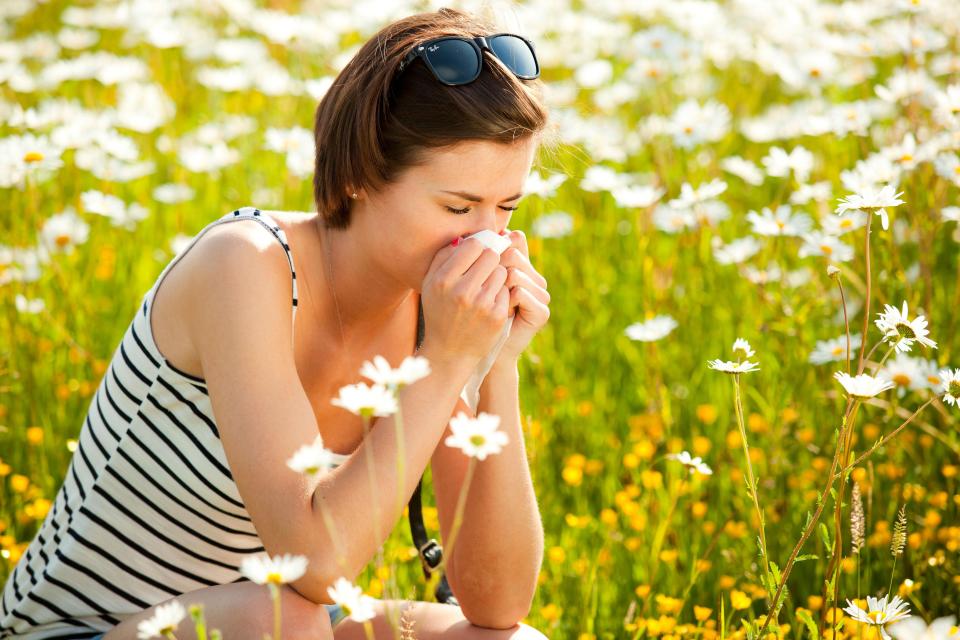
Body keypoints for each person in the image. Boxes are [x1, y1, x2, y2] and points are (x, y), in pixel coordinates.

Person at [0, 7, 553, 639]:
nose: (486, 240)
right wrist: (448, 363)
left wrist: (494, 362)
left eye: (507, 207)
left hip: (288, 624)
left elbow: (498, 602)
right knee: (283, 621)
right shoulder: (245, 264)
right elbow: (313, 567)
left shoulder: (438, 313)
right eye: (458, 205)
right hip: (81, 631)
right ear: (361, 177)